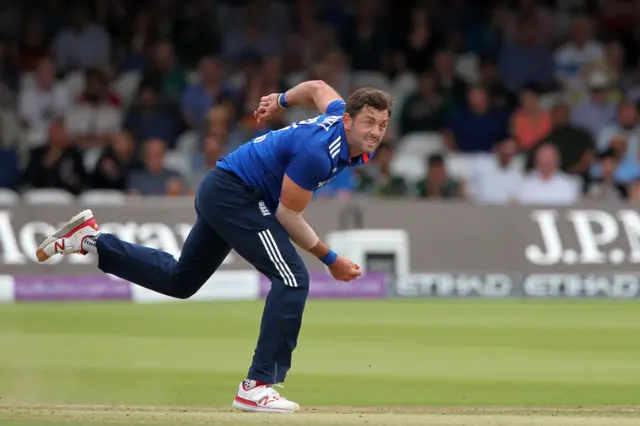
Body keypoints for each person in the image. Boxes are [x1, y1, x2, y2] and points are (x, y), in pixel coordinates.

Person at [34, 80, 393, 413]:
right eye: (369, 123)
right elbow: (288, 215)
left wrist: (280, 100)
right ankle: (257, 385)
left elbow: (317, 87)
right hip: (237, 196)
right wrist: (330, 260)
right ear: (347, 120)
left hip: (223, 187)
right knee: (293, 278)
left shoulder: (337, 117)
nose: (376, 132)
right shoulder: (319, 151)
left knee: (180, 281)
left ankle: (89, 238)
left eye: (382, 125)